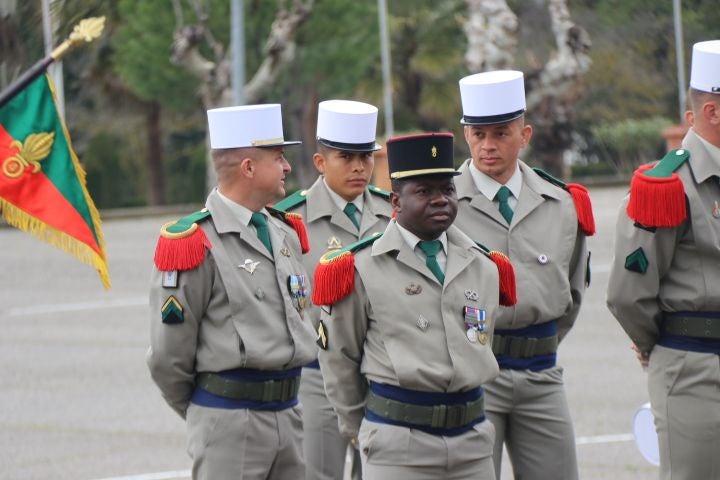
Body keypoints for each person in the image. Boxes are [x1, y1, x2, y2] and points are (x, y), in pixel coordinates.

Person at [314, 132, 517, 480]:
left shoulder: (485, 265)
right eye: (424, 192)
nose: (440, 200)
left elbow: (483, 342)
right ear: (395, 201)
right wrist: (364, 429)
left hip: (472, 442)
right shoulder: (361, 266)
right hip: (399, 445)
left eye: (447, 190)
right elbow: (339, 360)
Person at [146, 104, 318, 479]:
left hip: (289, 413)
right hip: (230, 421)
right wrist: (208, 412)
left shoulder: (284, 232)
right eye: (279, 157)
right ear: (249, 168)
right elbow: (167, 357)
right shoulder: (194, 242)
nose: (288, 167)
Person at [453, 70, 594, 480]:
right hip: (476, 373)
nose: (488, 145)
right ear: (466, 136)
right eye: (478, 134)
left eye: (500, 133)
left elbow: (571, 292)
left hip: (541, 372)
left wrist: (538, 341)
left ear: (524, 134)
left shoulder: (561, 203)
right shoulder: (443, 207)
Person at [606, 40, 720, 480]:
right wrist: (669, 348)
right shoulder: (666, 185)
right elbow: (627, 294)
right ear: (712, 112)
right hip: (695, 369)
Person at [274, 99, 392, 480]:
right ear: (321, 162)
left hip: (380, 372)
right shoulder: (290, 222)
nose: (359, 167)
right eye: (346, 157)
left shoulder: (392, 215)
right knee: (318, 473)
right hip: (317, 376)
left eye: (366, 157)